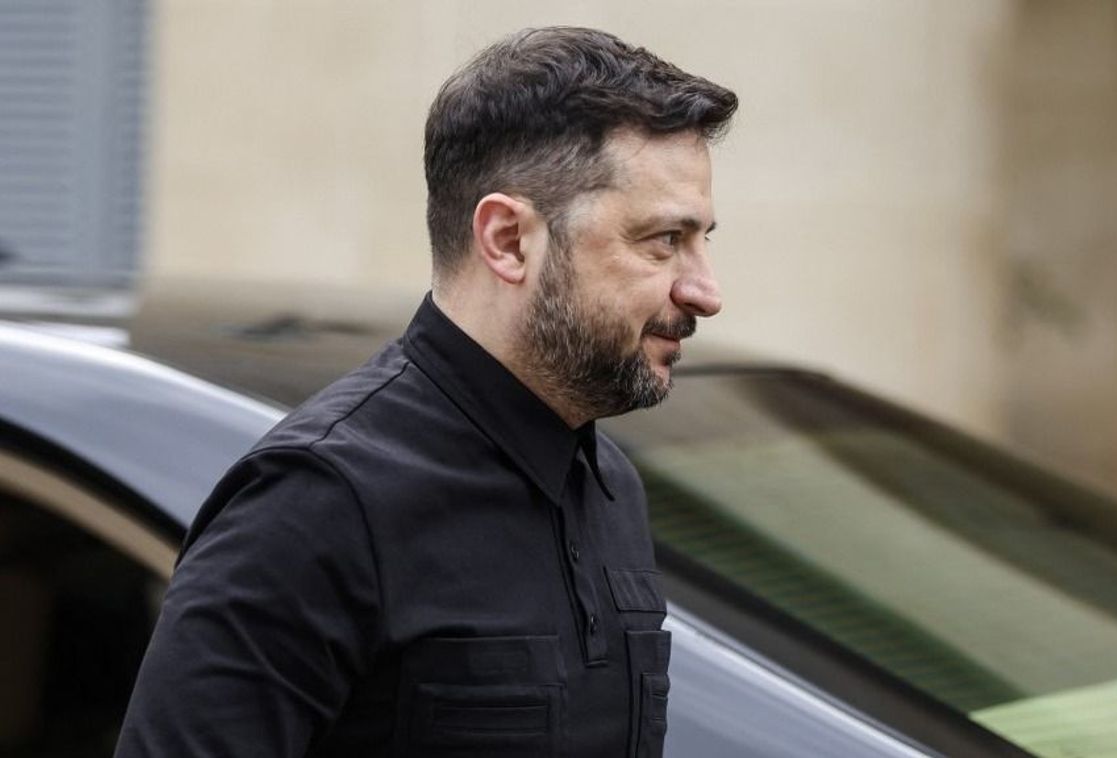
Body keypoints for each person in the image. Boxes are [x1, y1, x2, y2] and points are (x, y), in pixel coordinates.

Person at [114, 26, 736, 757]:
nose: (705, 290)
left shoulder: (610, 486)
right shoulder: (317, 502)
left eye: (702, 240)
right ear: (507, 240)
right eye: (663, 241)